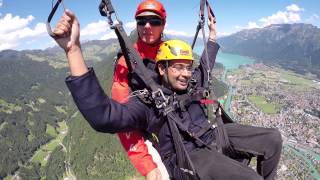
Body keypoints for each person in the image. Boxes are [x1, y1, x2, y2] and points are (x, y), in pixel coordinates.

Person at [52, 6, 283, 179]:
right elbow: (103, 116)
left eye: (187, 67)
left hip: (212, 134)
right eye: (178, 67)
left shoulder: (190, 82)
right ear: (162, 68)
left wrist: (212, 37)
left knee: (273, 139)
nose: (185, 74)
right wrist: (73, 50)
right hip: (189, 155)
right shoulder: (149, 102)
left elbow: (206, 67)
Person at [111, 0, 168, 179]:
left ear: (163, 25)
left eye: (154, 21)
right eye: (142, 21)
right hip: (148, 134)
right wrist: (148, 166)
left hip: (174, 123)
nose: (147, 26)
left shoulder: (170, 52)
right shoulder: (126, 63)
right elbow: (122, 118)